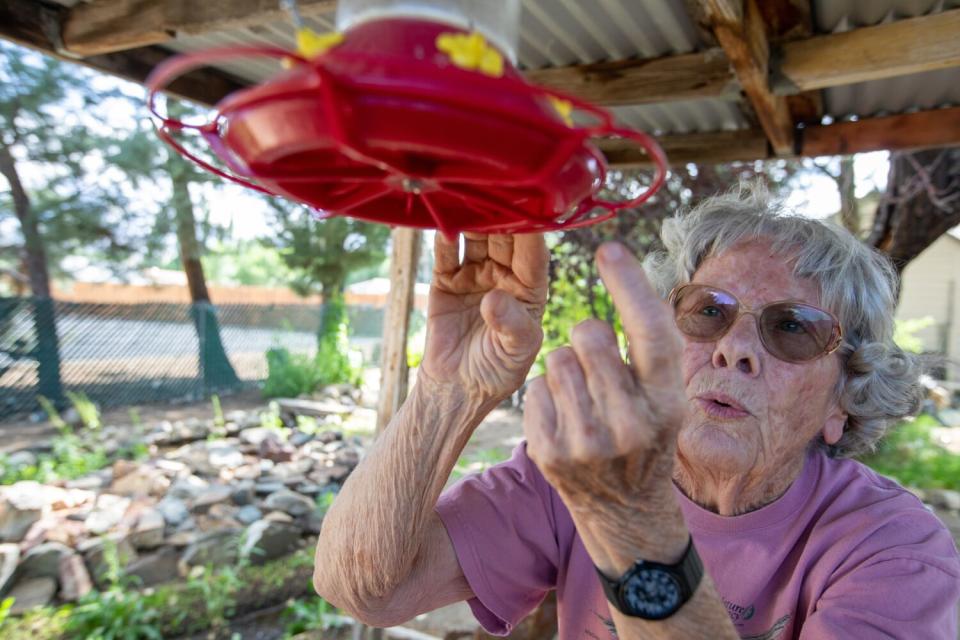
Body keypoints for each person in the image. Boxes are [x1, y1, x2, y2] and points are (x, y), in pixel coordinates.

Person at [312, 186, 960, 639]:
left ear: (844, 402)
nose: (734, 349)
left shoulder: (896, 551)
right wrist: (450, 388)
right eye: (708, 311)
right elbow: (366, 588)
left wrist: (628, 519)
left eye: (793, 328)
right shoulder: (579, 478)